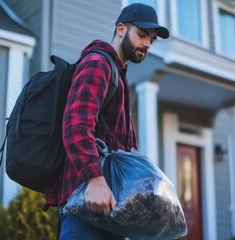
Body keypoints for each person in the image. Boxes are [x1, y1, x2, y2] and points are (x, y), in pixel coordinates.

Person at [45, 3, 169, 240]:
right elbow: (76, 123)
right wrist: (95, 178)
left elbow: (124, 149)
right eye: (142, 35)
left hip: (108, 210)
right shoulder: (98, 64)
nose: (147, 44)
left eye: (152, 39)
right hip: (86, 205)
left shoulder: (119, 75)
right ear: (121, 29)